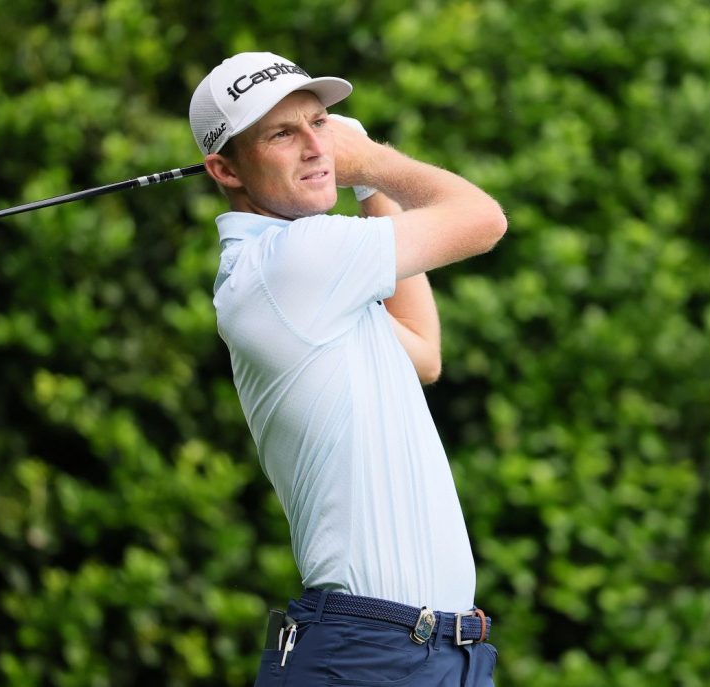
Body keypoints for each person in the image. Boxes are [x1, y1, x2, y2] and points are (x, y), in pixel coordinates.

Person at [189, 52, 507, 686]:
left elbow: (421, 349)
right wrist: (369, 159)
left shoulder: (310, 282)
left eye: (319, 123)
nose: (315, 146)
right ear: (225, 168)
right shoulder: (292, 262)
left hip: (436, 653)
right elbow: (484, 220)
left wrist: (368, 188)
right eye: (283, 133)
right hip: (372, 653)